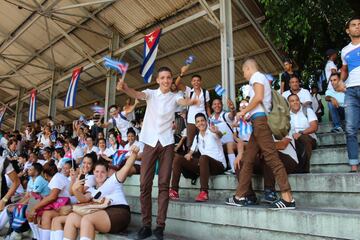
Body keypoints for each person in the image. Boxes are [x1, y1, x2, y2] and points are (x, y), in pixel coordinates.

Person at [117, 66, 199, 240]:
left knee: (163, 185)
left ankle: (160, 226)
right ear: (157, 80)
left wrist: (190, 102)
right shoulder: (151, 94)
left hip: (167, 143)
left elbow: (182, 102)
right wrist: (125, 88)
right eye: (162, 78)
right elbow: (138, 95)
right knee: (144, 184)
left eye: (169, 77)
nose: (166, 80)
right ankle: (146, 225)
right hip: (149, 142)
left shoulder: (175, 96)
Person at [225, 58, 295, 209]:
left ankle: (287, 197)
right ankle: (240, 196)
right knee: (248, 160)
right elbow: (258, 104)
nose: (244, 75)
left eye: (244, 72)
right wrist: (245, 115)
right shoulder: (260, 78)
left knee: (272, 158)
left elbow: (258, 98)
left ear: (249, 68)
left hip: (261, 124)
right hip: (257, 123)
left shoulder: (256, 77)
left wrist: (243, 111)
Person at [62, 146, 139, 240]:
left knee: (87, 219)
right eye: (97, 171)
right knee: (71, 217)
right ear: (93, 172)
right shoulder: (91, 189)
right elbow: (83, 199)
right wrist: (75, 190)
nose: (99, 174)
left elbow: (126, 167)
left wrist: (134, 154)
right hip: (102, 214)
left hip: (119, 212)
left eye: (103, 172)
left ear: (107, 173)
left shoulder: (113, 180)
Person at [170, 113, 226, 202]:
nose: (200, 123)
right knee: (178, 158)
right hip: (205, 166)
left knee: (203, 158)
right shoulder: (197, 137)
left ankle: (204, 192)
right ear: (196, 124)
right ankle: (174, 191)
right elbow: (191, 152)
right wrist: (188, 155)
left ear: (206, 122)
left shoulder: (212, 131)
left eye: (202, 120)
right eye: (198, 122)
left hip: (218, 165)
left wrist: (217, 132)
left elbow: (220, 135)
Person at [27, 160, 74, 240]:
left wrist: (35, 207)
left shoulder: (57, 178)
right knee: (37, 212)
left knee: (46, 214)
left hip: (70, 206)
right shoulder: (57, 177)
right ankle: (37, 237)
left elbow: (52, 197)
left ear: (45, 175)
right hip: (65, 205)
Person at [340, 16, 360, 172]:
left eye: (359, 24)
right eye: (354, 25)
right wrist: (340, 81)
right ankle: (354, 164)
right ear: (348, 31)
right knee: (350, 128)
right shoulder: (345, 51)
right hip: (350, 91)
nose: (357, 27)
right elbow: (345, 70)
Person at [175, 66, 211, 149]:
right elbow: (176, 84)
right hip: (191, 120)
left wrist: (210, 117)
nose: (196, 82)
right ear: (191, 82)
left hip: (203, 120)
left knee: (204, 140)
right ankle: (190, 159)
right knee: (190, 142)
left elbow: (207, 106)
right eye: (194, 81)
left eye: (198, 81)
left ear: (201, 82)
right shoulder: (188, 91)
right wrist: (182, 73)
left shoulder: (206, 92)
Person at [288, 94, 318, 173]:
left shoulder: (307, 111)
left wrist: (301, 133)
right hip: (293, 139)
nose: (295, 102)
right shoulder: (286, 115)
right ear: (289, 104)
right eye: (292, 101)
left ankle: (304, 169)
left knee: (303, 139)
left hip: (309, 138)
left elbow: (314, 127)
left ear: (299, 101)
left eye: (297, 100)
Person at [209, 98, 236, 173]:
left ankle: (234, 169)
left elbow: (232, 115)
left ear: (222, 105)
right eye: (215, 104)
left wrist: (232, 109)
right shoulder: (211, 118)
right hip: (219, 145)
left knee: (228, 145)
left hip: (230, 144)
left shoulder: (225, 115)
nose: (217, 105)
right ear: (212, 106)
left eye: (219, 104)